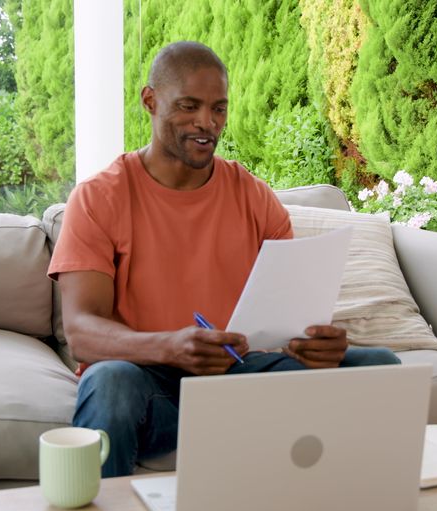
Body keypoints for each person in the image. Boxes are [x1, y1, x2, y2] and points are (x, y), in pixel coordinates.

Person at [48, 41, 400, 477]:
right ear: (150, 101)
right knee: (110, 382)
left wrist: (311, 345)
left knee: (379, 366)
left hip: (239, 378)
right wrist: (171, 347)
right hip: (150, 385)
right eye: (189, 106)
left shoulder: (252, 194)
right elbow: (82, 332)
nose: (206, 123)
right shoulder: (99, 197)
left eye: (218, 108)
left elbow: (288, 316)